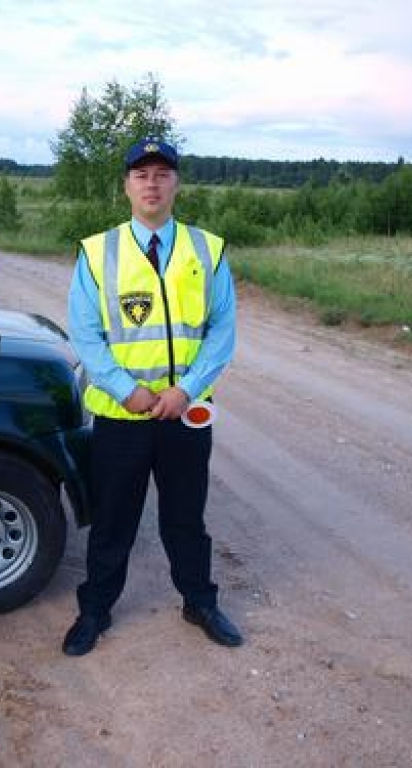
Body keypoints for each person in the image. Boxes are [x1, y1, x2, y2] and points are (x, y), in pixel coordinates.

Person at [62, 138, 243, 656]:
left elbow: (222, 330)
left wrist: (185, 390)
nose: (152, 184)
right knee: (113, 519)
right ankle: (95, 610)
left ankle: (199, 602)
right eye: (141, 175)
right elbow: (86, 334)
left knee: (186, 517)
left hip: (184, 414)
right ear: (126, 186)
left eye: (162, 174)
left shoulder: (207, 250)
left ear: (176, 183)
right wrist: (127, 391)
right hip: (122, 417)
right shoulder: (97, 252)